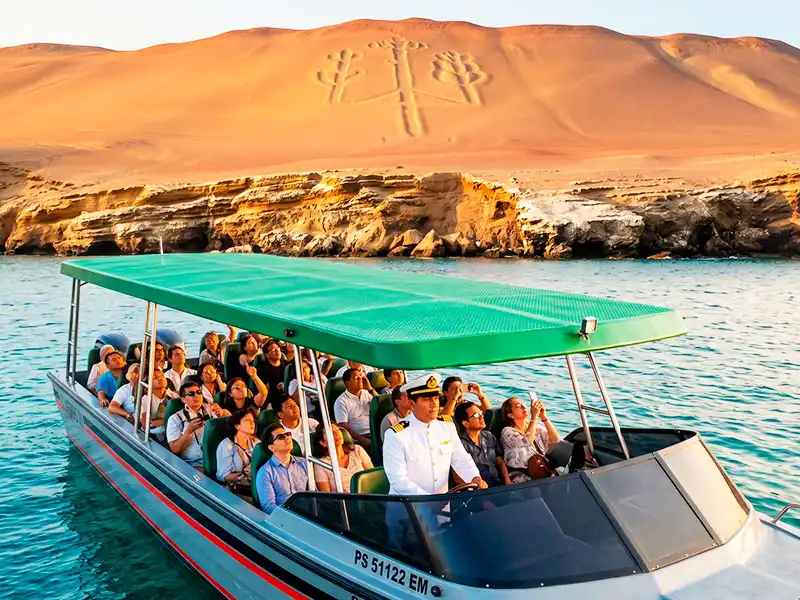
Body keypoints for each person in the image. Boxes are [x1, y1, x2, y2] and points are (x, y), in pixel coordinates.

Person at [383, 373, 486, 495]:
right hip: (408, 508)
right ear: (412, 403)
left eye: (436, 398)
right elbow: (398, 480)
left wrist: (474, 477)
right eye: (427, 399)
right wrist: (428, 500)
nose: (434, 404)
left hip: (442, 506)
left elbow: (460, 458)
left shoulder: (447, 426)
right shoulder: (396, 435)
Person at [500, 395, 561, 484]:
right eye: (518, 406)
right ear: (510, 415)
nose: (524, 407)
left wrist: (543, 417)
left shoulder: (535, 428)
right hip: (522, 478)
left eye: (523, 404)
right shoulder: (507, 432)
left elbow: (555, 440)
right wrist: (534, 417)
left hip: (542, 471)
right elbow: (527, 442)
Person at [166, 381, 227, 470]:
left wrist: (221, 415)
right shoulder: (176, 419)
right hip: (193, 463)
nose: (196, 396)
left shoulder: (212, 409)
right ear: (183, 399)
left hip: (217, 458)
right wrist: (188, 432)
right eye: (191, 394)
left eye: (199, 392)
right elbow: (174, 449)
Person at [255, 423, 308, 514]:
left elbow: (313, 493)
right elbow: (269, 507)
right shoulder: (265, 472)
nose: (287, 438)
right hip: (284, 520)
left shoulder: (304, 463)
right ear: (272, 447)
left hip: (308, 514)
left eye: (287, 434)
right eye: (281, 437)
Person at [455, 401, 510, 488]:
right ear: (466, 423)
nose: (481, 416)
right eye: (476, 415)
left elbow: (500, 462)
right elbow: (457, 476)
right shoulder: (460, 444)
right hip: (478, 489)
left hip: (498, 485)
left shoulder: (489, 436)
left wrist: (508, 483)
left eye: (480, 412)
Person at [311, 423, 373, 492]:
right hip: (341, 501)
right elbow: (327, 497)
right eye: (331, 432)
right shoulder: (321, 465)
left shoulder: (357, 450)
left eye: (337, 430)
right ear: (323, 443)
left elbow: (373, 476)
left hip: (367, 496)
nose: (336, 433)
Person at [216, 408, 259, 497]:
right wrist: (246, 475)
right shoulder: (227, 445)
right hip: (237, 489)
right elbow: (224, 476)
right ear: (237, 425)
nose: (252, 424)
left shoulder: (256, 442)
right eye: (247, 421)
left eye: (253, 421)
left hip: (256, 483)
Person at [333, 368, 374, 450]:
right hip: (360, 436)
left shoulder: (366, 393)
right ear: (347, 382)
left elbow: (380, 405)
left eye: (361, 377)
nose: (361, 380)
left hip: (374, 432)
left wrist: (370, 389)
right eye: (356, 378)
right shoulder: (341, 401)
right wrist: (362, 439)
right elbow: (343, 427)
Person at [256, 339, 289, 407]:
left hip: (289, 397)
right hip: (272, 401)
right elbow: (265, 392)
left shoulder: (287, 364)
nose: (277, 351)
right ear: (266, 354)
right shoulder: (262, 369)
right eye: (273, 350)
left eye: (277, 348)